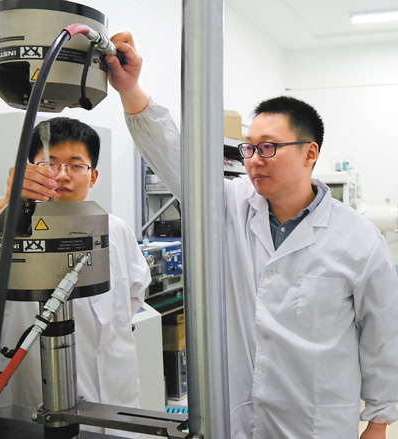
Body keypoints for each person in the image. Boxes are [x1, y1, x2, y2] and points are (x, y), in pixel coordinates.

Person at [105, 31, 398, 439]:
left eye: (269, 147)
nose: (254, 160)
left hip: (317, 422)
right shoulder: (228, 206)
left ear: (310, 153)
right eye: (249, 148)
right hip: (239, 416)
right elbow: (171, 153)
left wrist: (379, 420)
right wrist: (130, 88)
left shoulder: (358, 239)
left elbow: (383, 334)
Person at [0, 117, 151, 437]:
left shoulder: (116, 229)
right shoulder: (5, 226)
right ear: (29, 169)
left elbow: (135, 294)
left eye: (76, 165)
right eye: (49, 163)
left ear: (93, 176)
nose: (62, 175)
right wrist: (7, 207)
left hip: (113, 392)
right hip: (32, 393)